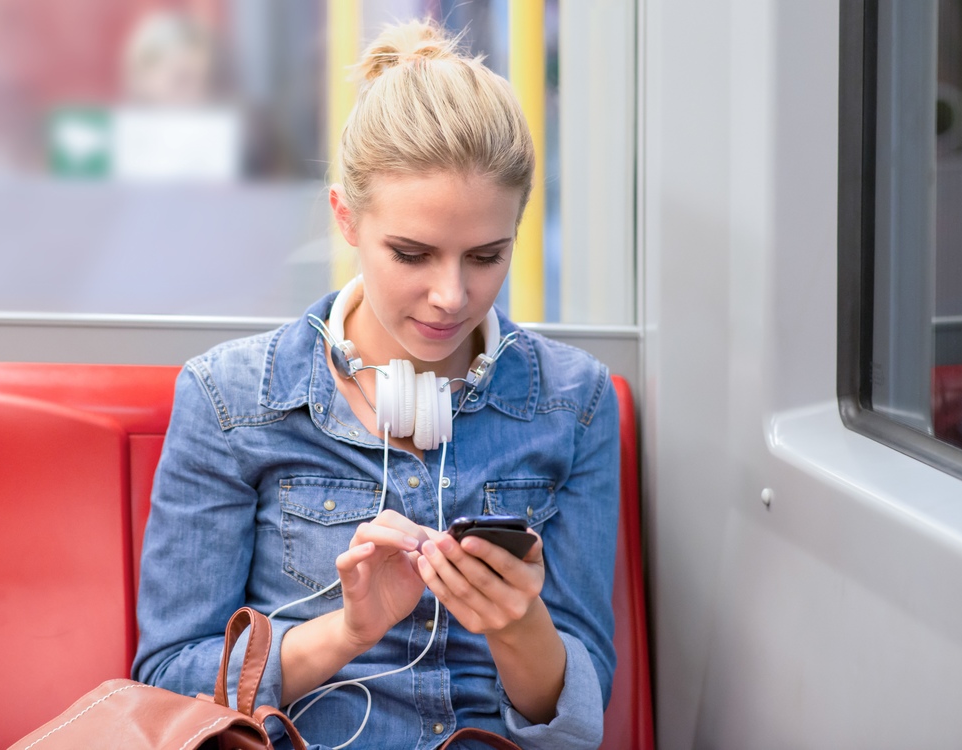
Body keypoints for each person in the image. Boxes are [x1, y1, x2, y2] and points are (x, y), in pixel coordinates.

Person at [133, 19, 619, 749]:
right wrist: (349, 630)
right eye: (412, 254)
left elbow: (577, 724)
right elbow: (169, 682)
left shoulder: (571, 401)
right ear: (346, 219)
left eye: (486, 256)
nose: (451, 296)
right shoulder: (230, 400)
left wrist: (522, 629)